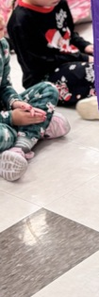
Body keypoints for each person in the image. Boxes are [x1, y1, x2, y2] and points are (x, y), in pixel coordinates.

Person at [7, 0, 99, 120]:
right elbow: (40, 63)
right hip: (45, 77)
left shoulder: (59, 2)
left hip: (70, 60)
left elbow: (69, 36)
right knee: (94, 71)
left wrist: (88, 48)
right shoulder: (21, 21)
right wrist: (83, 58)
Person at [0, 13, 71, 181]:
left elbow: (4, 86)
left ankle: (18, 147)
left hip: (5, 112)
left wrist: (16, 102)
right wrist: (11, 118)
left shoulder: (2, 46)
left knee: (48, 89)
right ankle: (37, 128)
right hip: (4, 123)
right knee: (5, 135)